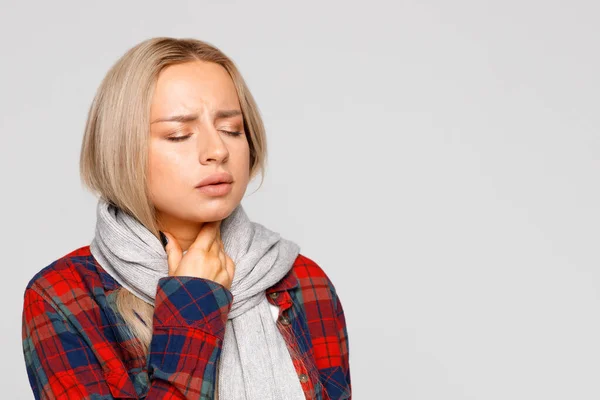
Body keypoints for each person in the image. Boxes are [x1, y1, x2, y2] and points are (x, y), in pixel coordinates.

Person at [21, 37, 351, 400]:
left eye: (232, 130)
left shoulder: (304, 282)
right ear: (122, 151)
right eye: (179, 135)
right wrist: (194, 303)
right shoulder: (64, 297)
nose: (217, 151)